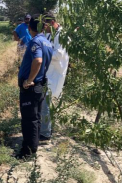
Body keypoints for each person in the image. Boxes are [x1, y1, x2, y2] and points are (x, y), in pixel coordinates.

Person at [16, 18, 53, 159]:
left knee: (29, 120)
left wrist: (29, 80)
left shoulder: (35, 41)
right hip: (40, 85)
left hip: (31, 87)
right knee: (36, 118)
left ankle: (27, 153)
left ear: (30, 27)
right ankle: (34, 146)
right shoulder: (47, 42)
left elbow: (38, 61)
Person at [40, 13, 69, 141]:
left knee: (45, 102)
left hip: (55, 73)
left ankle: (46, 133)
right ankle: (46, 128)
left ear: (51, 23)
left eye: (44, 25)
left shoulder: (62, 35)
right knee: (45, 102)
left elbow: (58, 54)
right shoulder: (49, 33)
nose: (43, 28)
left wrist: (43, 51)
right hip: (47, 72)